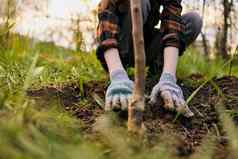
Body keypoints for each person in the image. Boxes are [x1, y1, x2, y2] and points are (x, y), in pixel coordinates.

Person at [96, 0, 203, 117]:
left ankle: (158, 70)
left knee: (193, 21)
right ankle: (122, 71)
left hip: (146, 45)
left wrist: (169, 77)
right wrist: (117, 75)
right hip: (120, 48)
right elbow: (106, 24)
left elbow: (172, 26)